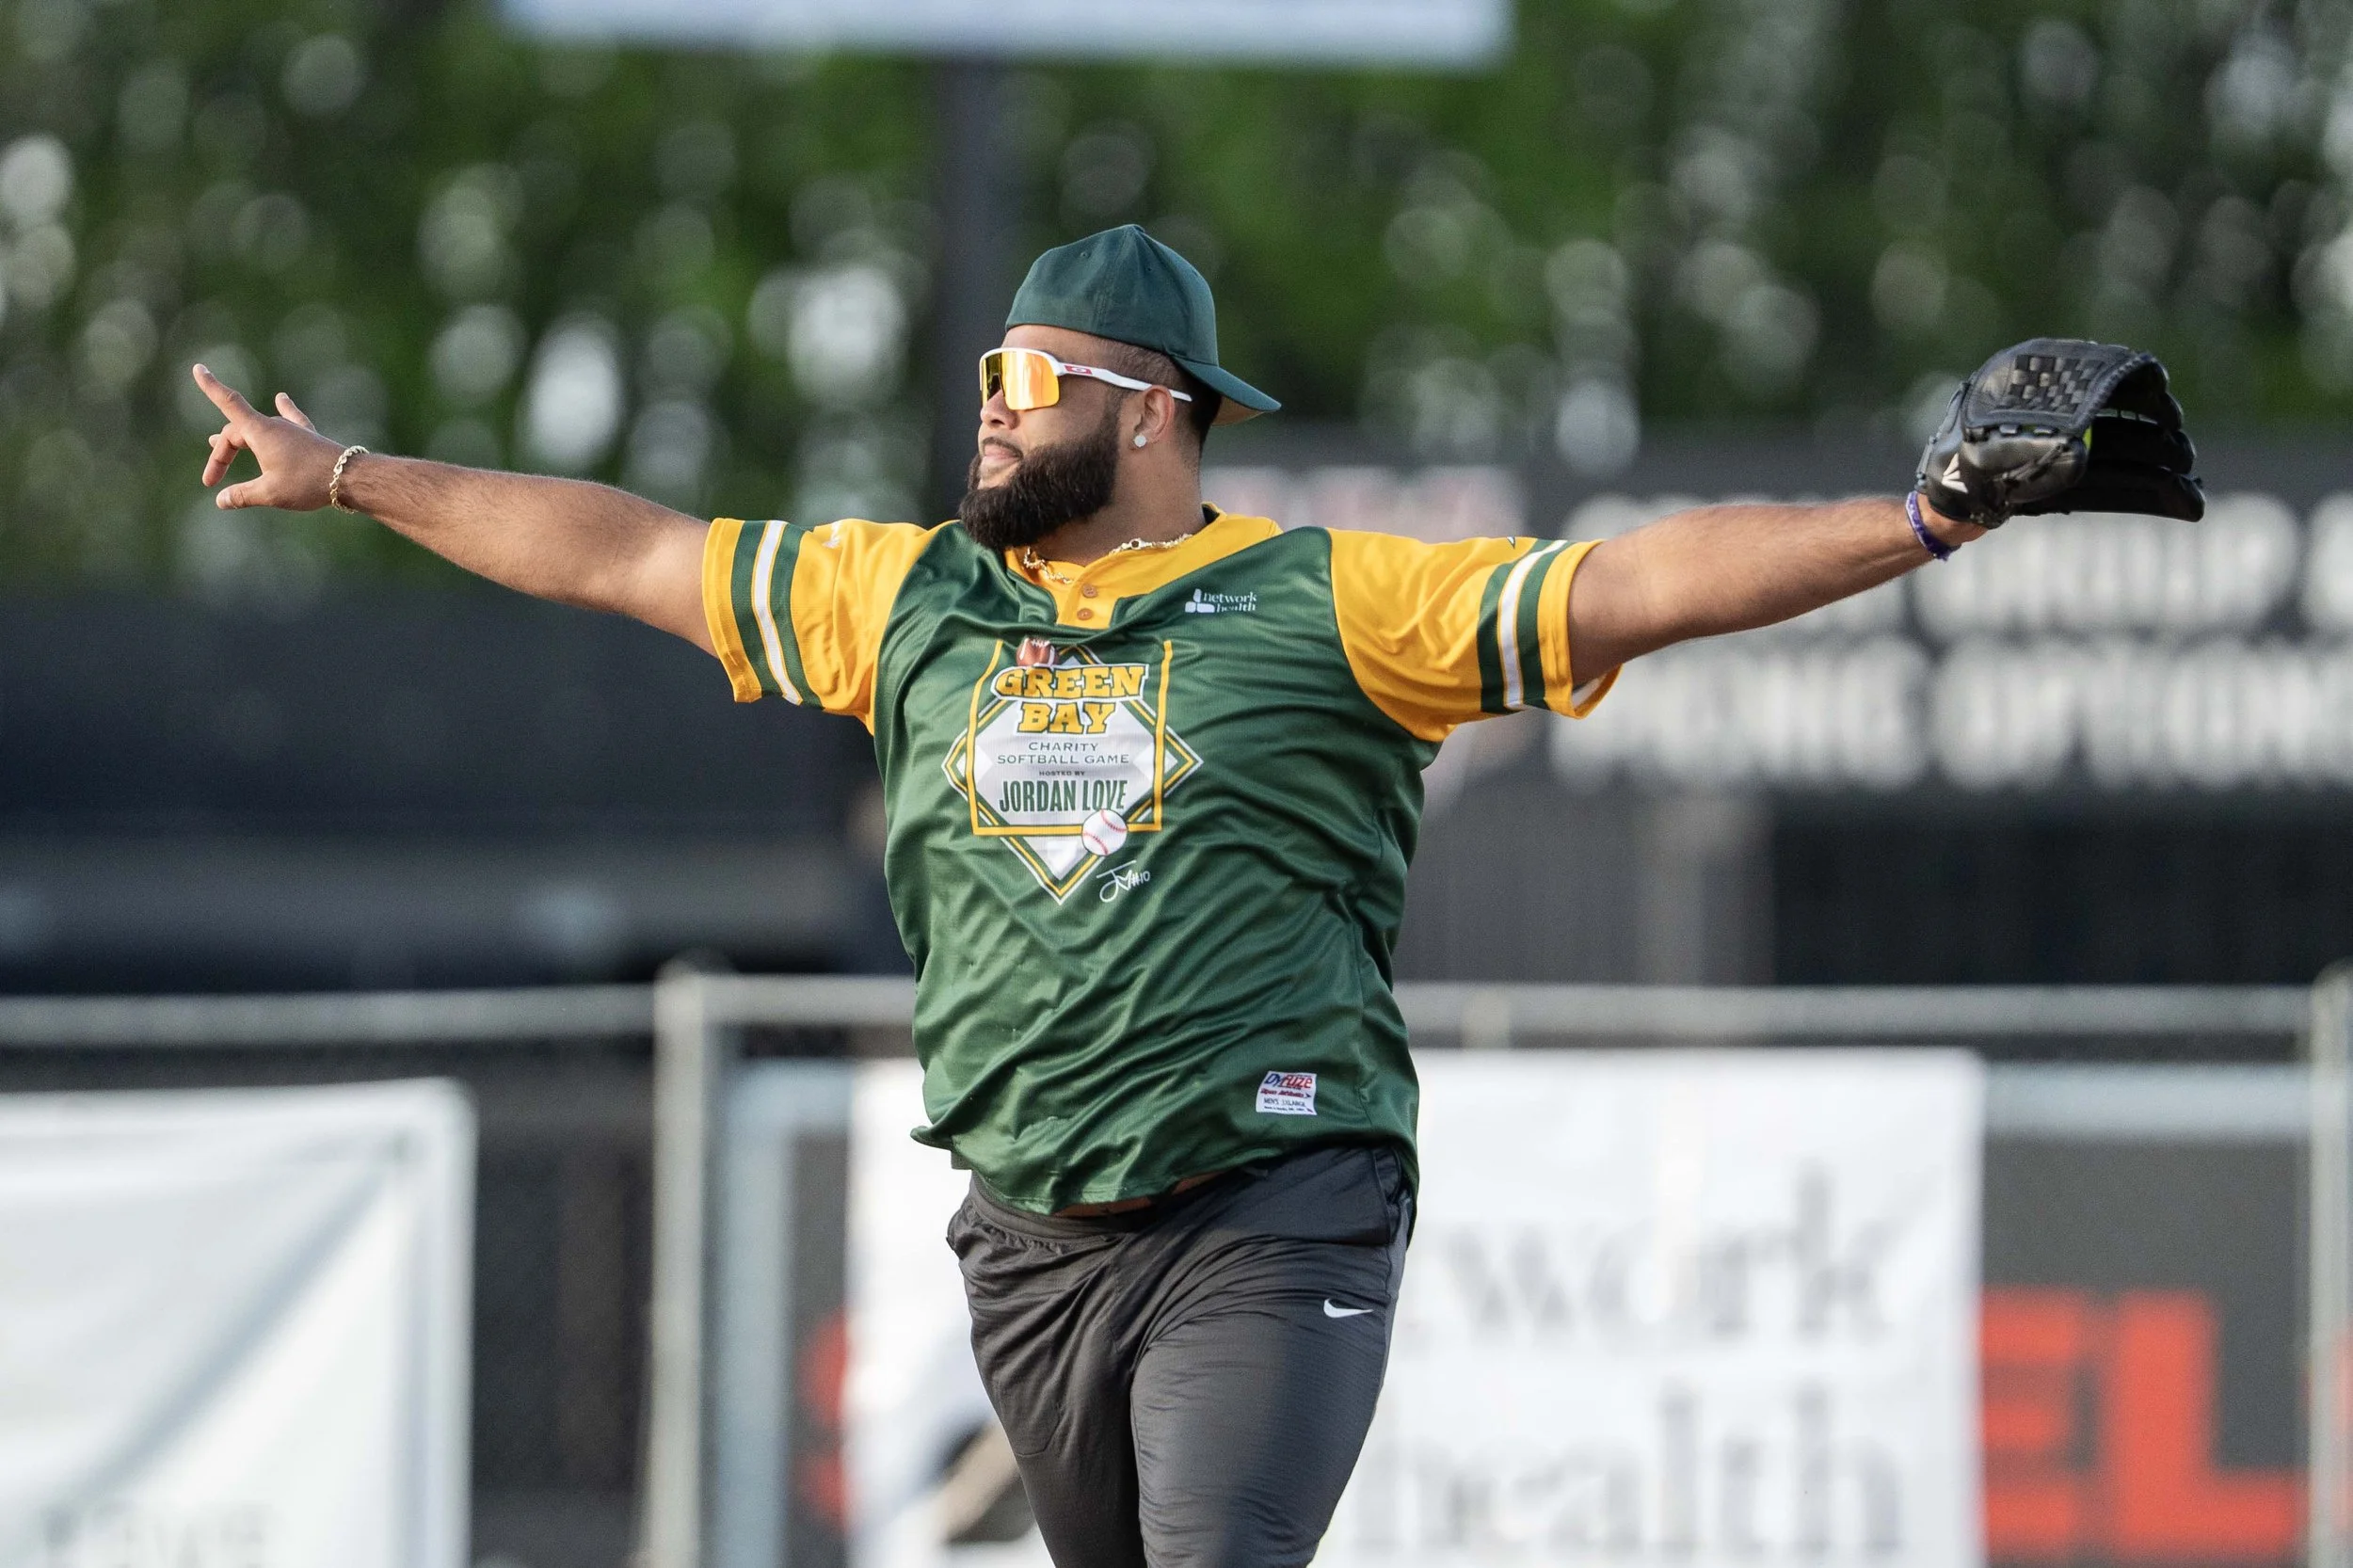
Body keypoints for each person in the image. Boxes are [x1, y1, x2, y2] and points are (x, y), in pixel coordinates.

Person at [191, 224, 2194, 1568]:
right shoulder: (912, 595)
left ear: (1146, 408)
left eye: (1025, 371)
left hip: (1269, 1200)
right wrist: (354, 471)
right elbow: (624, 550)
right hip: (1030, 1241)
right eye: (984, 366)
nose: (985, 400)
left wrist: (1920, 513)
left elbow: (1629, 585)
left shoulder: (1327, 597)